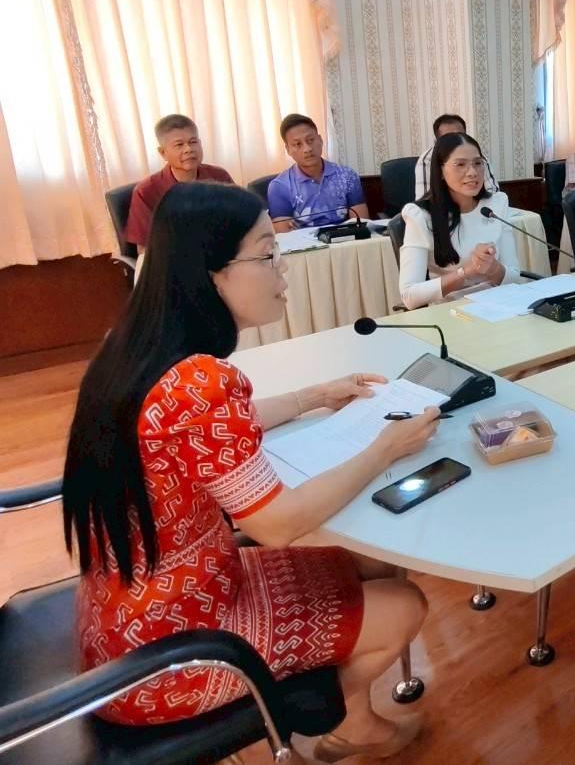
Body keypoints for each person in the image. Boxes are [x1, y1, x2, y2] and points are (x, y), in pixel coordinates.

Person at [64, 182, 436, 760]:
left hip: (125, 617)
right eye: (267, 254)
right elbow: (277, 524)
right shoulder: (201, 381)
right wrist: (384, 448)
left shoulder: (134, 347)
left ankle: (355, 722)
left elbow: (197, 428)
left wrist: (314, 395)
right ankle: (328, 717)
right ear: (212, 274)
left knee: (369, 562)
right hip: (169, 655)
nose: (282, 269)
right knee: (406, 605)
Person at [400, 133, 521, 309]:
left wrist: (493, 268)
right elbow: (409, 296)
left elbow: (514, 277)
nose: (472, 172)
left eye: (478, 163)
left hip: (497, 305)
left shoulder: (496, 203)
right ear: (440, 171)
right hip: (449, 310)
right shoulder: (421, 215)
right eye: (460, 164)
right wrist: (465, 272)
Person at [125, 114, 234, 248]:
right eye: (179, 145)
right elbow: (145, 249)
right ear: (163, 152)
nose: (188, 149)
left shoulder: (219, 177)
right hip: (174, 257)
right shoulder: (146, 191)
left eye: (193, 142)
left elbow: (240, 219)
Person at [267, 114, 368, 230]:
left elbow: (361, 225)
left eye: (310, 140)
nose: (307, 149)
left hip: (344, 238)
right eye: (297, 144)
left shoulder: (347, 176)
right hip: (303, 241)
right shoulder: (280, 186)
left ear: (320, 140)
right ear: (288, 149)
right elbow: (284, 236)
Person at [413, 113, 497, 200]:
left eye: (460, 135)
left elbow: (493, 192)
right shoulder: (427, 160)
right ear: (437, 141)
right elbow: (424, 200)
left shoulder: (477, 155)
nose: (456, 141)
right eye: (449, 139)